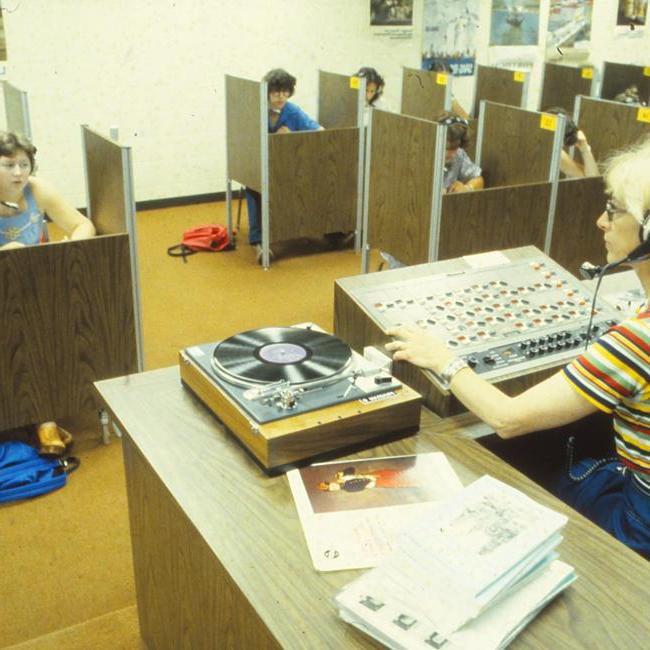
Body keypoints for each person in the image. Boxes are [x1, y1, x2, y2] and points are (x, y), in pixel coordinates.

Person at [385, 135, 650, 559]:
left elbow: (507, 419)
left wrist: (445, 360)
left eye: (613, 211)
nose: (601, 221)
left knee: (536, 469)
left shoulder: (636, 342)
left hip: (639, 520)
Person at [0, 131, 96, 455]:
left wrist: (68, 248)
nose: (18, 173)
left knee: (42, 335)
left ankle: (44, 418)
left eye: (24, 164)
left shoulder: (37, 190)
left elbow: (82, 225)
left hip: (37, 284)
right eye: (8, 165)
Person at [245, 68, 322, 262]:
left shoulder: (292, 111)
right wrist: (273, 138)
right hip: (262, 168)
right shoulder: (257, 111)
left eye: (285, 92)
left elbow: (318, 131)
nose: (281, 97)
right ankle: (258, 239)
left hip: (290, 170)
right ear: (267, 92)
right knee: (254, 188)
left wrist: (293, 137)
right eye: (276, 92)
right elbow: (248, 140)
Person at [543, 106, 599, 178]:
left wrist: (584, 147)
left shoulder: (551, 150)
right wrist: (585, 149)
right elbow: (592, 181)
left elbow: (588, 176)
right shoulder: (554, 153)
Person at [436, 111, 484, 193]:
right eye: (446, 148)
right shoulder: (424, 154)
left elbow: (479, 180)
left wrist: (467, 187)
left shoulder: (459, 154)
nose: (450, 154)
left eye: (453, 149)